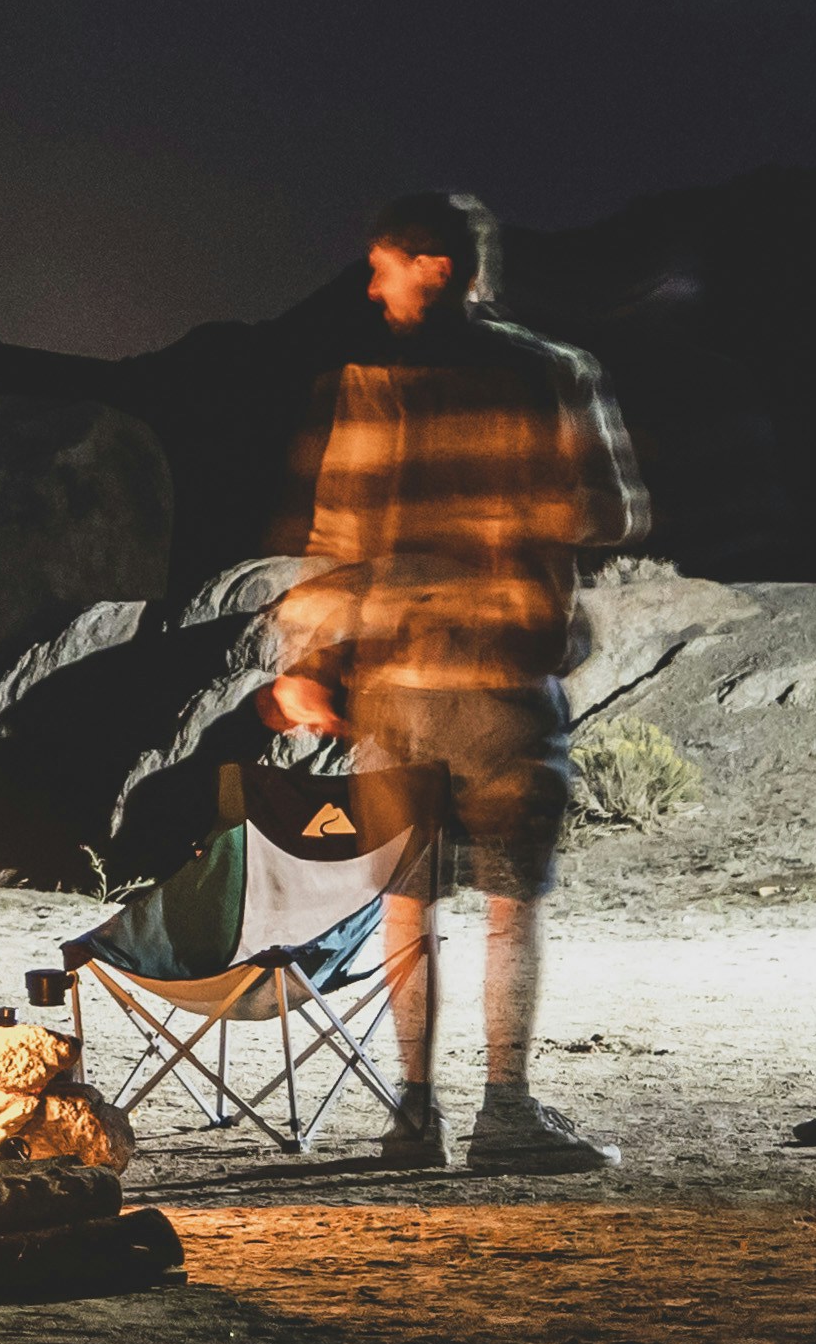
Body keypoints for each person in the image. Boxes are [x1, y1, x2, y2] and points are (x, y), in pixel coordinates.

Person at [254, 189, 650, 1173]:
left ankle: (413, 1115)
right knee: (512, 901)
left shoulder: (370, 381)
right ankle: (504, 1111)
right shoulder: (558, 373)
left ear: (437, 266)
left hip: (396, 684)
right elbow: (610, 516)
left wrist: (309, 661)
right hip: (505, 686)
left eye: (385, 266)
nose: (375, 286)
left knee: (406, 900)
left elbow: (336, 536)